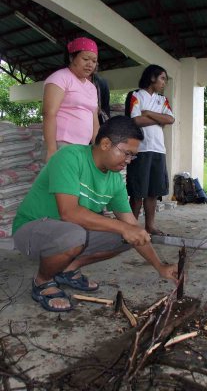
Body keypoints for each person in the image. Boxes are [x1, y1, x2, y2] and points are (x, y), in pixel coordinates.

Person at [12, 116, 178, 313]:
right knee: (76, 235)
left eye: (132, 156)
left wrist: (160, 266)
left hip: (70, 234)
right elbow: (69, 213)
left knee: (126, 237)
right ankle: (42, 281)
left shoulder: (115, 180)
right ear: (106, 144)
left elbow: (132, 225)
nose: (129, 161)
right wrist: (123, 227)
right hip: (31, 231)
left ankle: (68, 268)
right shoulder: (70, 157)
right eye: (126, 153)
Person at [126, 65, 175, 235]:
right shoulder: (135, 95)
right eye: (162, 78)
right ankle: (132, 227)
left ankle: (150, 226)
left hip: (158, 150)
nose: (164, 83)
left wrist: (149, 113)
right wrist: (159, 118)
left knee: (153, 191)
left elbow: (170, 119)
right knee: (137, 191)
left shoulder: (163, 100)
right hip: (140, 149)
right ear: (152, 77)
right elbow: (136, 121)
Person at [42, 37, 100, 162]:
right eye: (85, 59)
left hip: (84, 147)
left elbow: (95, 123)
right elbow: (49, 114)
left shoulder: (92, 87)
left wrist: (98, 151)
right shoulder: (60, 78)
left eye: (94, 61)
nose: (90, 64)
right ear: (71, 58)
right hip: (61, 144)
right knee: (62, 181)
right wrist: (51, 149)